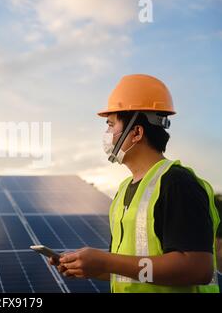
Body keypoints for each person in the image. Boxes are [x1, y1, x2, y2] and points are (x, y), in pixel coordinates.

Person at [49, 74, 220, 293]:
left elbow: (198, 269)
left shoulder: (177, 183)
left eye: (111, 125)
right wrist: (86, 266)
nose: (107, 134)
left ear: (137, 132)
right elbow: (133, 270)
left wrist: (106, 261)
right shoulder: (123, 191)